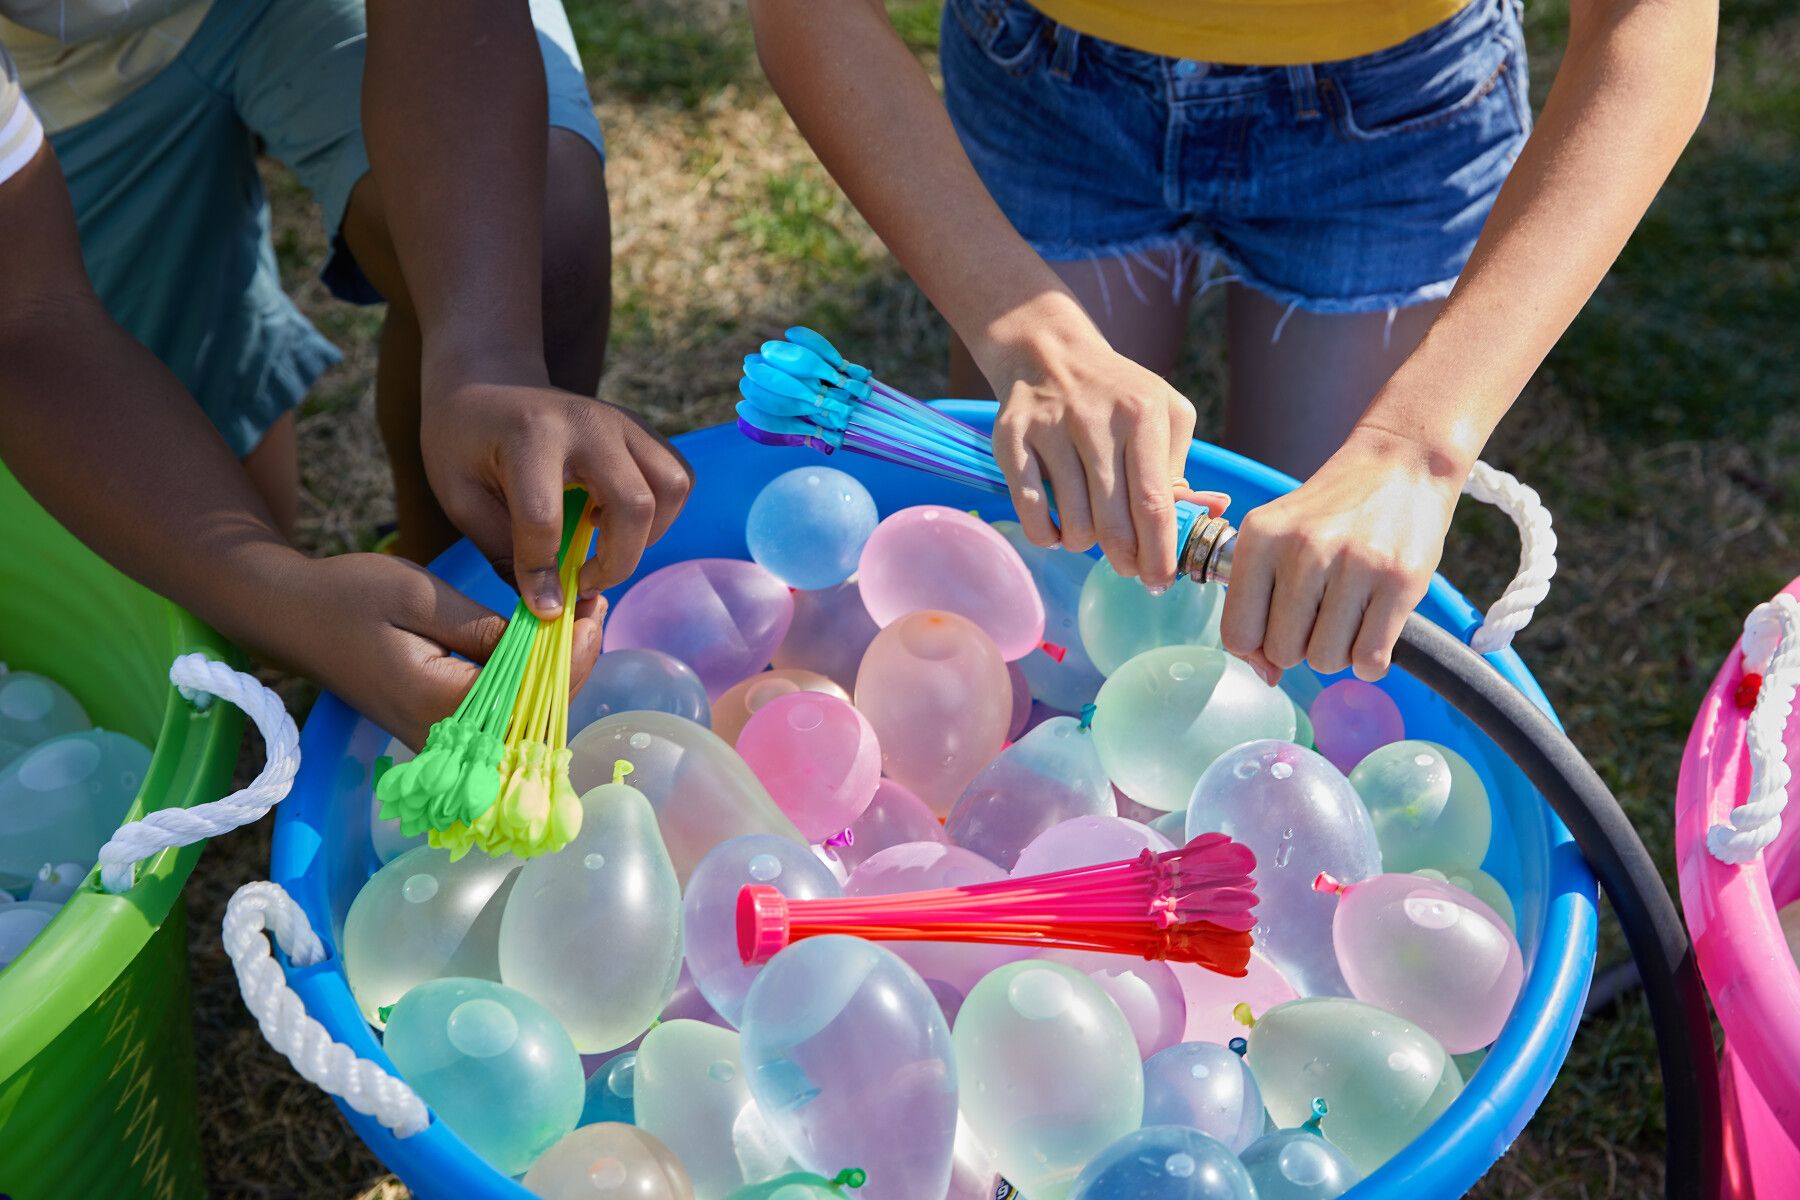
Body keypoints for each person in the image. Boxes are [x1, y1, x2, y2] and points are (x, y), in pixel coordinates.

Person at [747, 0, 1715, 683]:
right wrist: (1031, 337)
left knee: (1298, 626)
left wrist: (1414, 451)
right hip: (1046, 74)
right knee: (1044, 582)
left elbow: (1653, 26)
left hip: (1401, 107)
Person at [0, 0, 692, 744]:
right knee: (212, 581)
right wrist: (277, 590)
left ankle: (444, 607)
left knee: (538, 248)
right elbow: (24, 315)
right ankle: (374, 637)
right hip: (45, 77)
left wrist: (488, 362)